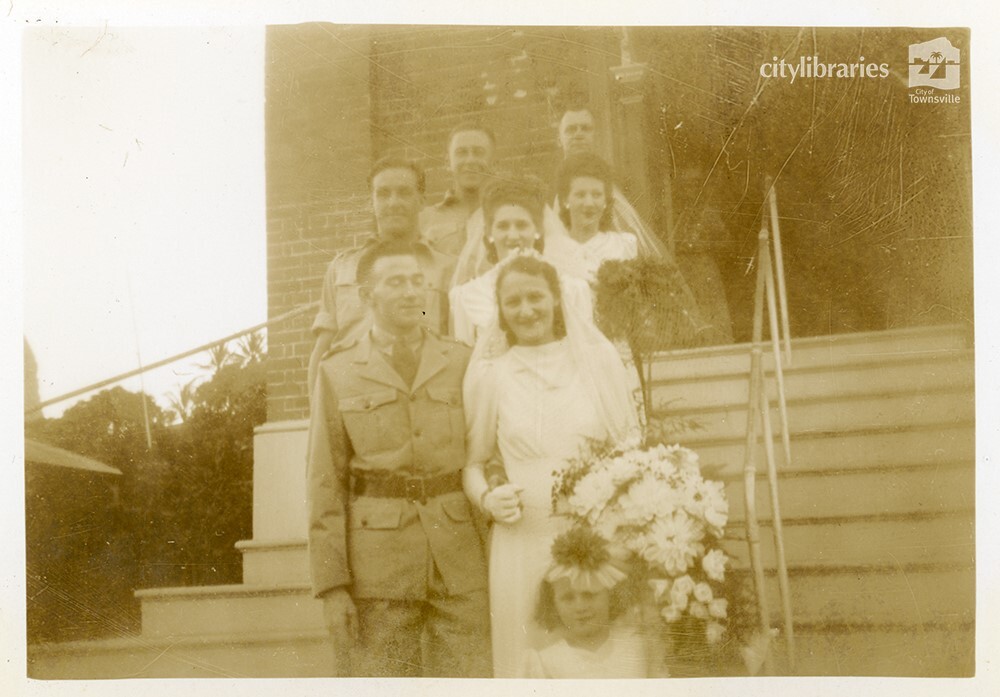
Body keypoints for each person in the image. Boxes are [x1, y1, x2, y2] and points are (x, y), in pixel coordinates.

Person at [307, 240, 491, 677]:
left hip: (458, 556)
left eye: (417, 282)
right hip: (379, 566)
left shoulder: (461, 360)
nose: (412, 293)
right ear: (368, 296)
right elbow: (323, 482)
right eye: (396, 283)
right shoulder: (338, 371)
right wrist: (333, 587)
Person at [463, 255, 640, 677]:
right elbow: (473, 463)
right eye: (513, 302)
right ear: (500, 311)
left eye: (535, 297)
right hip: (522, 539)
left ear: (557, 299)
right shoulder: (492, 376)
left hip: (597, 537)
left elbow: (631, 449)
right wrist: (488, 498)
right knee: (527, 658)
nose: (526, 310)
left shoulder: (598, 362)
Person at [307, 157, 454, 397]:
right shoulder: (341, 268)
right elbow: (322, 350)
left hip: (424, 398)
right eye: (383, 194)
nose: (393, 202)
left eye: (404, 192)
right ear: (371, 203)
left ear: (422, 201)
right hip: (353, 401)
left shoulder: (446, 267)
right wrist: (319, 417)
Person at [449, 178, 591, 346]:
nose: (513, 236)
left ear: (537, 230)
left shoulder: (573, 290)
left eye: (522, 225)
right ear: (489, 233)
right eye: (503, 226)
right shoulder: (466, 296)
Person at [524, 526, 669, 679]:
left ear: (611, 596)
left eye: (589, 595)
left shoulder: (638, 647)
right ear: (553, 604)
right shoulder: (545, 663)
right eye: (568, 598)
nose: (580, 607)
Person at [419, 123, 494, 258]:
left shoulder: (509, 216)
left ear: (493, 162)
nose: (470, 160)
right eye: (461, 153)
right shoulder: (423, 220)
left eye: (479, 152)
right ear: (447, 162)